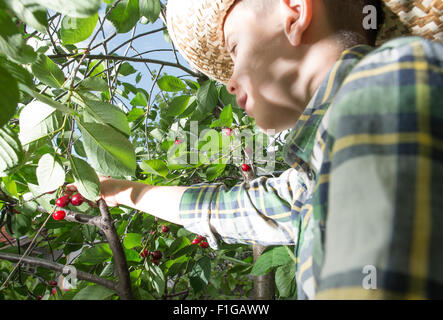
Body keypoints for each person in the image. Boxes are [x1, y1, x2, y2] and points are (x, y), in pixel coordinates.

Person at [69, 0, 443, 299]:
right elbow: (226, 208)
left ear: (295, 14)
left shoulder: (389, 79)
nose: (229, 82)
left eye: (235, 48)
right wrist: (124, 191)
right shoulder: (315, 179)